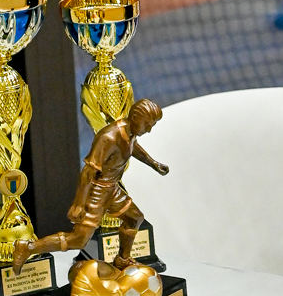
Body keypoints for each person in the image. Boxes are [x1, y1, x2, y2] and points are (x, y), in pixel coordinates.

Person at [12, 99, 168, 273]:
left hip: (112, 190)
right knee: (78, 240)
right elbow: (88, 172)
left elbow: (133, 146)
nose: (149, 130)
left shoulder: (130, 133)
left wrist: (153, 163)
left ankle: (123, 260)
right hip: (96, 191)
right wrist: (79, 203)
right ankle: (28, 248)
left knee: (134, 218)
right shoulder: (109, 137)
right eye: (147, 125)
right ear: (136, 117)